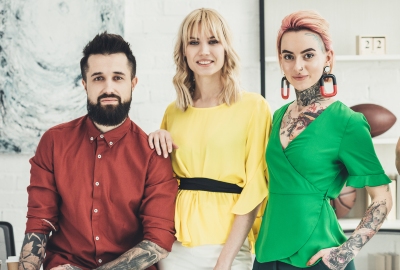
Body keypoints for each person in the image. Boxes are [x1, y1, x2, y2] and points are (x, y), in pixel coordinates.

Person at [18, 32, 178, 270]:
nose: (108, 88)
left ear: (132, 83)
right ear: (85, 85)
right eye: (98, 78)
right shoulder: (53, 142)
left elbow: (157, 240)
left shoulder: (153, 153)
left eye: (118, 77)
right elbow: (39, 223)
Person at [253, 10, 392, 270]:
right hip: (267, 252)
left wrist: (346, 251)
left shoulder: (347, 121)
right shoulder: (277, 116)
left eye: (308, 55)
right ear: (280, 62)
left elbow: (383, 198)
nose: (298, 66)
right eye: (288, 56)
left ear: (328, 58)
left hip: (317, 257)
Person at [148, 8, 271, 270]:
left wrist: (225, 261)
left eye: (213, 41)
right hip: (175, 246)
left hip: (227, 245)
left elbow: (256, 188)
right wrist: (156, 139)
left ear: (226, 48)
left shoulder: (253, 107)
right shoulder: (173, 111)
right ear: (184, 52)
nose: (204, 51)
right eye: (194, 42)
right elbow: (159, 182)